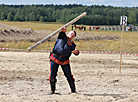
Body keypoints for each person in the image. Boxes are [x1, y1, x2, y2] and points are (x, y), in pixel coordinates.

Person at [48, 26, 79, 95]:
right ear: (68, 34)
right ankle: (52, 91)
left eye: (73, 35)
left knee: (69, 76)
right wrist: (63, 31)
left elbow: (76, 52)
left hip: (65, 60)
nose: (72, 35)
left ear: (74, 37)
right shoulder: (62, 37)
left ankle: (73, 91)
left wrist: (76, 52)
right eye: (71, 33)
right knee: (53, 75)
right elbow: (62, 32)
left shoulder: (72, 44)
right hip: (55, 58)